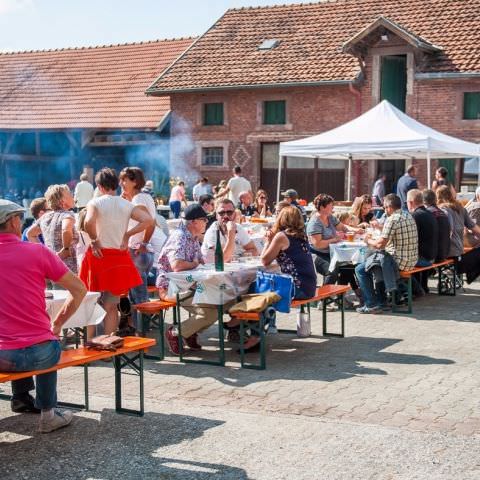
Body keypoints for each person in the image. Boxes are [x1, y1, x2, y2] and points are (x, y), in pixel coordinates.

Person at [0, 199, 87, 433]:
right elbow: (79, 289)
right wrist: (57, 324)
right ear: (13, 221)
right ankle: (48, 413)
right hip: (40, 354)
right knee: (47, 341)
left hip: (1, 355)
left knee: (17, 338)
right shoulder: (37, 251)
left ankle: (20, 396)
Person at [80, 168, 154, 336]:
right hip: (118, 257)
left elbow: (88, 222)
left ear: (99, 186)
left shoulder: (95, 202)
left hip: (98, 256)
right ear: (116, 184)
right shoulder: (126, 204)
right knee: (111, 305)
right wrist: (127, 234)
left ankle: (90, 343)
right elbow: (148, 220)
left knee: (91, 301)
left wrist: (94, 240)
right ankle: (108, 343)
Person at [155, 204, 212, 354]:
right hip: (171, 288)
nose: (207, 222)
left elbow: (202, 261)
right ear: (193, 222)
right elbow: (177, 265)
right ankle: (175, 333)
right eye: (204, 219)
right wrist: (195, 264)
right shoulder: (179, 237)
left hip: (190, 285)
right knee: (209, 311)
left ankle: (190, 331)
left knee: (219, 300)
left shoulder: (192, 237)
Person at [355, 194, 418, 314]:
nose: (384, 210)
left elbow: (380, 245)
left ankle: (371, 304)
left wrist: (367, 240)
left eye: (384, 208)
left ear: (389, 207)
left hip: (398, 262)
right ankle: (381, 301)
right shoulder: (408, 215)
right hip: (412, 259)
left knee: (361, 269)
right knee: (376, 261)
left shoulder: (392, 219)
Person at [119, 167, 158, 328]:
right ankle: (140, 329)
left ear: (134, 182)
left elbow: (150, 222)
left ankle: (140, 332)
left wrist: (142, 243)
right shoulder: (141, 197)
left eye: (124, 180)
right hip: (142, 252)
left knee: (138, 296)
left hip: (137, 251)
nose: (121, 183)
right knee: (138, 294)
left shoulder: (139, 199)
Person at [261, 206, 316, 299]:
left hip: (297, 288)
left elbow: (264, 261)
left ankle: (266, 313)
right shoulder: (302, 235)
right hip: (310, 287)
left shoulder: (281, 236)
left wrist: (268, 241)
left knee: (254, 287)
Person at [306, 194, 360, 287]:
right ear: (322, 207)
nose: (333, 207)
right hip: (316, 254)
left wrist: (354, 231)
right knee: (332, 271)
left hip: (331, 252)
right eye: (331, 205)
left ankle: (341, 296)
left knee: (347, 266)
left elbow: (342, 227)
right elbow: (317, 244)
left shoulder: (330, 217)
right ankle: (324, 298)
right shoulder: (315, 223)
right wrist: (334, 239)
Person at [28, 185, 79, 274]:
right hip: (69, 269)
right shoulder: (67, 215)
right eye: (70, 195)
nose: (73, 196)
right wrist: (66, 249)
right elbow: (66, 230)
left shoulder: (45, 217)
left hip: (51, 266)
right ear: (62, 201)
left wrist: (44, 253)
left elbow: (30, 234)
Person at [437, 185, 480, 283]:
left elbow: (449, 232)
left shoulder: (442, 210)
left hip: (448, 252)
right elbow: (475, 228)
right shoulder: (461, 208)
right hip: (458, 250)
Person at [201, 199, 258, 263]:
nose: (225, 216)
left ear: (234, 214)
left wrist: (239, 257)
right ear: (217, 216)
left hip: (232, 268)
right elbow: (223, 259)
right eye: (221, 213)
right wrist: (231, 233)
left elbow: (254, 250)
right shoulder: (212, 231)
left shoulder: (238, 228)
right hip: (212, 269)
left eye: (229, 212)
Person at [407, 189, 438, 294]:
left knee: (398, 261)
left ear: (411, 202)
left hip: (424, 259)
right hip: (432, 257)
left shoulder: (415, 216)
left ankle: (415, 290)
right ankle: (423, 286)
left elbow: (409, 239)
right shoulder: (430, 214)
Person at [422, 189, 451, 263]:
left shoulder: (427, 214)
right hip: (445, 253)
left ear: (423, 201)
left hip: (435, 256)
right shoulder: (443, 213)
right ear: (435, 199)